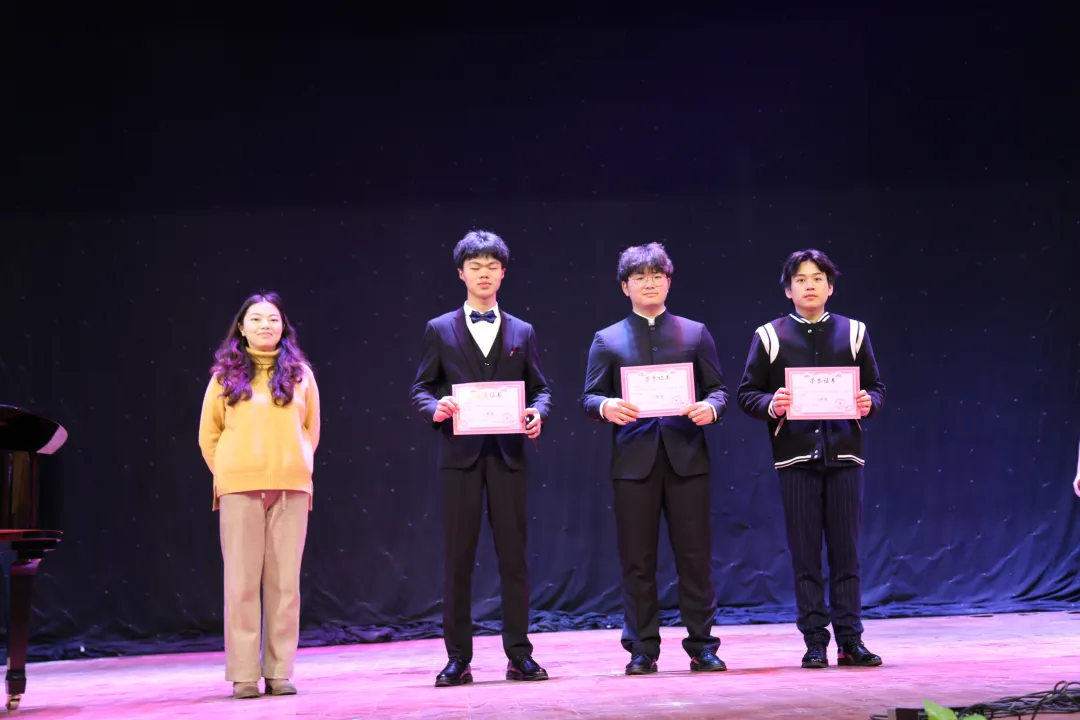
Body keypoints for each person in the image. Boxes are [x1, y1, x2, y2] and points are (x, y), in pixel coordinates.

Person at [409, 230, 552, 687]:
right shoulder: (439, 329)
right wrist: (436, 408)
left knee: (514, 559)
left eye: (492, 266)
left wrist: (537, 413)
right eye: (476, 266)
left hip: (509, 457)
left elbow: (541, 389)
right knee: (458, 559)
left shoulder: (522, 331)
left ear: (503, 273)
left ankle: (519, 655)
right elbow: (421, 387)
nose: (484, 273)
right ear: (461, 273)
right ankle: (458, 658)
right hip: (460, 458)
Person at [579, 242, 729, 676]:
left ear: (668, 281)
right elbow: (589, 396)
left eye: (657, 275)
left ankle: (702, 646)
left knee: (695, 558)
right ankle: (642, 648)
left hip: (687, 459)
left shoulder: (694, 333)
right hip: (633, 463)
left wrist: (712, 408)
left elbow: (718, 390)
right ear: (625, 286)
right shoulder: (607, 339)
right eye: (640, 277)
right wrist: (606, 406)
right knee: (637, 560)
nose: (649, 283)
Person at [736, 248, 885, 669]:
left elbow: (876, 388)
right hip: (795, 457)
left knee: (846, 553)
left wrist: (868, 402)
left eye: (817, 278)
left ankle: (850, 640)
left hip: (845, 456)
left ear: (830, 286)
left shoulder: (854, 332)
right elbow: (747, 393)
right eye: (800, 279)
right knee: (805, 555)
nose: (809, 286)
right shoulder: (770, 335)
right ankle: (815, 640)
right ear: (788, 289)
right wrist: (773, 403)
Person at [198, 291, 321, 698]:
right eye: (256, 319)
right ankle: (245, 674)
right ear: (241, 327)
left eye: (273, 319)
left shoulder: (301, 374)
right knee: (242, 584)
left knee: (285, 586)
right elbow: (209, 435)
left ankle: (280, 671)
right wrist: (230, 472)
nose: (265, 325)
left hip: (290, 487)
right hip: (239, 488)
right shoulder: (224, 376)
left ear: (284, 326)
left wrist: (296, 465)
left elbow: (311, 430)